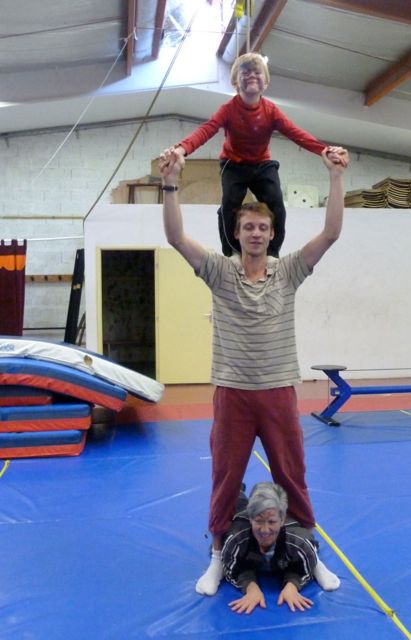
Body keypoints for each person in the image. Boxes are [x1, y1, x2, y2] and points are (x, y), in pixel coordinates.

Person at [158, 142, 348, 597]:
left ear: (272, 232)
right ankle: (217, 555)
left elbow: (331, 233)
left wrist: (336, 177)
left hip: (279, 390)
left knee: (292, 475)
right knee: (226, 478)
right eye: (248, 227)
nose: (256, 233)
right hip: (233, 393)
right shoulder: (220, 272)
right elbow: (176, 238)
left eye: (263, 227)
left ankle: (310, 551)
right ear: (236, 233)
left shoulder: (289, 272)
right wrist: (170, 184)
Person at [161, 52, 348, 257]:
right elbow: (207, 129)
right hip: (233, 164)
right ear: (235, 83)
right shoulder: (228, 109)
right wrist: (181, 149)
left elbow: (295, 133)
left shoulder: (271, 111)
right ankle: (232, 253)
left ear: (265, 82)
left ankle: (272, 253)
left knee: (277, 205)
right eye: (245, 73)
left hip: (262, 165)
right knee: (229, 205)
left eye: (257, 72)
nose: (251, 75)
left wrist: (323, 150)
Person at [223, 482, 340, 614]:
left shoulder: (297, 541)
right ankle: (239, 489)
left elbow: (304, 566)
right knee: (235, 499)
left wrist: (292, 584)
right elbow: (230, 564)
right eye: (259, 521)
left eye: (272, 522)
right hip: (243, 516)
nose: (265, 530)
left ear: (282, 520)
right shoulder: (237, 538)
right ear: (250, 519)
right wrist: (250, 586)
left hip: (290, 537)